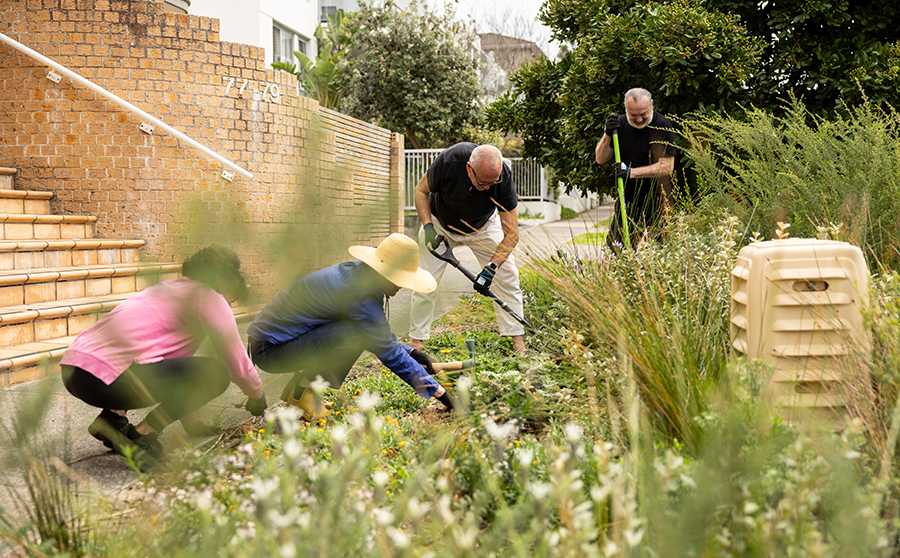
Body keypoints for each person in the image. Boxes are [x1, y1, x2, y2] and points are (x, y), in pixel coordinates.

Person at [60, 246, 267, 463]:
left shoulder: (166, 290)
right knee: (218, 373)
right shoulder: (210, 297)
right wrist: (257, 396)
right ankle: (142, 434)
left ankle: (112, 420)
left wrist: (193, 424)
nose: (229, 305)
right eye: (231, 299)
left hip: (75, 370)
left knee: (140, 356)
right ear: (225, 281)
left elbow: (176, 375)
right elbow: (237, 364)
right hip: (104, 379)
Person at [247, 233, 455, 418]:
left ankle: (300, 392)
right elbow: (386, 350)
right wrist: (444, 396)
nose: (401, 286)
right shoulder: (361, 293)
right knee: (354, 335)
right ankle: (301, 392)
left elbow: (379, 336)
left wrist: (411, 353)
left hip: (273, 343)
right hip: (271, 351)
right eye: (399, 280)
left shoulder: (358, 274)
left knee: (354, 331)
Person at [409, 142, 526, 354]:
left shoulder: (503, 178)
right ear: (469, 169)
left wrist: (492, 267)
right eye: (483, 183)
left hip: (482, 226)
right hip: (440, 224)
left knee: (507, 275)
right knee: (425, 281)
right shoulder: (449, 161)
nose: (488, 187)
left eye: (493, 182)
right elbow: (420, 191)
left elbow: (512, 234)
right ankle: (417, 344)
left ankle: (518, 341)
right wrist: (427, 226)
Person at [595, 88, 677, 250]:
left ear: (651, 105)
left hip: (659, 202)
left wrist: (631, 172)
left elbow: (667, 166)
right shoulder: (620, 125)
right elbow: (600, 159)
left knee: (662, 254)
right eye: (633, 115)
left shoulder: (662, 125)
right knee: (616, 251)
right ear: (626, 109)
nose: (639, 119)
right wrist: (607, 134)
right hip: (628, 201)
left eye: (644, 114)